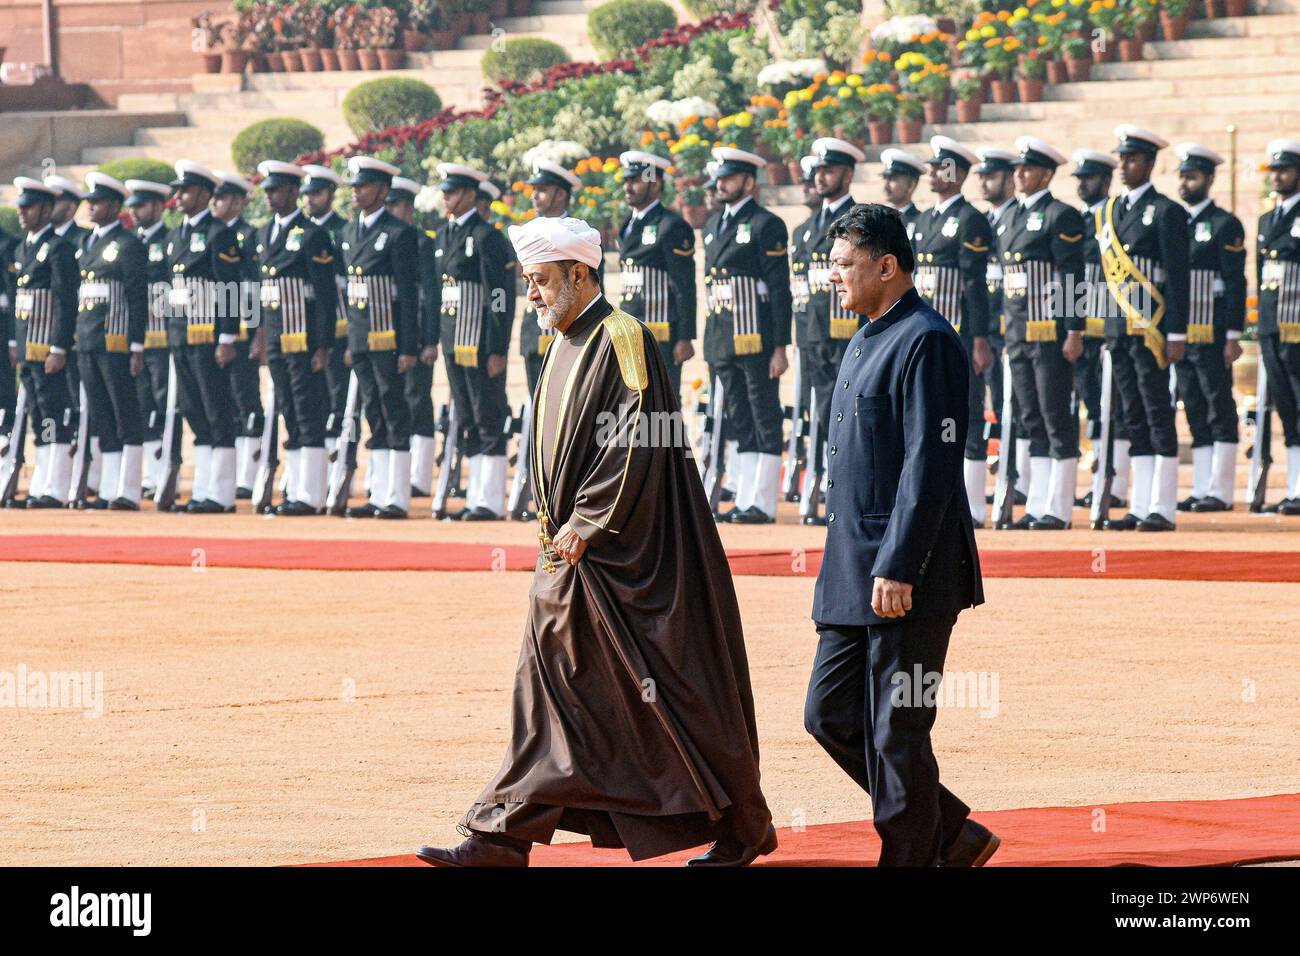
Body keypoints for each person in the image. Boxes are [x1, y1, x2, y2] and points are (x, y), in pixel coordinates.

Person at [416, 216, 774, 868]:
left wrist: (588, 521)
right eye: (527, 282)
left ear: (580, 274)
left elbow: (640, 429)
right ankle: (501, 836)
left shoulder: (622, 335)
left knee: (675, 691)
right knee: (551, 693)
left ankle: (744, 826)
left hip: (627, 558)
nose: (531, 296)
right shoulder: (561, 342)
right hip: (570, 555)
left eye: (542, 281)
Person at [804, 203, 992, 867]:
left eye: (844, 266)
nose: (833, 278)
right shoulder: (865, 334)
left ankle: (912, 858)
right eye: (831, 266)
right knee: (828, 716)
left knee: (896, 732)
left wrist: (901, 565)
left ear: (887, 267)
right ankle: (951, 832)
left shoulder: (927, 339)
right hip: (853, 569)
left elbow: (931, 464)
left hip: (909, 573)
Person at [1099, 126, 1190, 532]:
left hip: (1152, 331)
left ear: (1150, 163)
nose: (1124, 165)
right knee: (1131, 415)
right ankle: (1139, 504)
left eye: (1132, 159)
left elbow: (1178, 276)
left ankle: (1163, 506)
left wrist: (1176, 333)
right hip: (1119, 330)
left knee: (1157, 412)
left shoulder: (1167, 212)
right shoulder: (1111, 210)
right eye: (1121, 158)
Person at [998, 136, 1087, 530]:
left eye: (1028, 169)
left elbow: (1072, 275)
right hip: (1018, 332)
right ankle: (1036, 504)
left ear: (1047, 174)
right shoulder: (1009, 216)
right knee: (1030, 416)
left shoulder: (1060, 215)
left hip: (1049, 331)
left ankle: (1060, 507)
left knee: (1055, 415)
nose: (1019, 175)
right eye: (1017, 169)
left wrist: (1074, 329)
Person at [703, 146, 792, 524]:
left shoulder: (765, 224)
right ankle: (744, 495)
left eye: (729, 177)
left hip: (755, 336)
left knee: (763, 413)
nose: (721, 184)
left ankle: (764, 500)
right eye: (719, 178)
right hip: (723, 335)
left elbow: (779, 288)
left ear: (749, 181)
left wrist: (779, 346)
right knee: (739, 415)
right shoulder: (712, 226)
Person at [915, 136, 995, 525]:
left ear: (958, 173)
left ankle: (974, 504)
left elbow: (975, 285)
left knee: (966, 413)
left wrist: (980, 338)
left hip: (960, 336)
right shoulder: (923, 221)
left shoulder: (970, 220)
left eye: (939, 166)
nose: (931, 172)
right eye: (931, 166)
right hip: (924, 335)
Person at [254, 161, 340, 516]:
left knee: (308, 412)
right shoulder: (263, 234)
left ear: (292, 192)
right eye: (268, 191)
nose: (271, 196)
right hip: (276, 335)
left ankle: (312, 493)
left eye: (277, 190)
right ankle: (295, 488)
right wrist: (260, 335)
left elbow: (324, 295)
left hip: (303, 337)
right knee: (288, 410)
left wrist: (323, 344)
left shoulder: (312, 234)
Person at [431, 162, 516, 521]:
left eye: (452, 192)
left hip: (480, 343)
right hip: (453, 340)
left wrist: (497, 347)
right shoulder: (444, 235)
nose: (446, 198)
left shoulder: (487, 237)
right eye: (445, 192)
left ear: (469, 194)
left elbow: (500, 295)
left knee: (487, 416)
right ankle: (475, 495)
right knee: (466, 416)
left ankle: (490, 499)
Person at [339, 156, 421, 520]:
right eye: (355, 186)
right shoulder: (348, 231)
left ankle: (397, 496)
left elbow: (407, 295)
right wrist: (347, 341)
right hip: (360, 337)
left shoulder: (399, 233)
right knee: (373, 411)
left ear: (383, 190)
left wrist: (408, 346)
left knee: (393, 409)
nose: (357, 192)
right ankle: (379, 492)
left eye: (364, 186)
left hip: (389, 339)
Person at [165, 160, 246, 513]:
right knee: (193, 411)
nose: (179, 197)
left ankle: (222, 493)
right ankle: (203, 489)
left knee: (217, 411)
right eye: (178, 191)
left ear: (202, 193)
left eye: (185, 191)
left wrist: (227, 337)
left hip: (209, 337)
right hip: (181, 336)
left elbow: (230, 287)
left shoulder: (219, 233)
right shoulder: (174, 235)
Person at [1174, 143, 1246, 513]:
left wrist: (1233, 334)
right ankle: (1202, 486)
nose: (1186, 183)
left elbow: (1235, 283)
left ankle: (1221, 488)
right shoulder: (1174, 222)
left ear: (1210, 179)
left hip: (1213, 331)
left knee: (1219, 405)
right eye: (1182, 176)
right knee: (1194, 409)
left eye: (1193, 176)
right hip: (1181, 334)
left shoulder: (1224, 224)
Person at [74, 172, 148, 510]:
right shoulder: (87, 243)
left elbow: (136, 297)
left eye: (98, 202)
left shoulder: (129, 244)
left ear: (115, 206)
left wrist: (136, 345)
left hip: (116, 340)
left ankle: (128, 489)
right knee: (102, 416)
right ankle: (107, 488)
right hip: (89, 340)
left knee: (125, 413)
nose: (91, 207)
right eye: (90, 202)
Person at [8, 177, 78, 508]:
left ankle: (56, 485)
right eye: (20, 208)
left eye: (29, 208)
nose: (22, 214)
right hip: (27, 346)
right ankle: (41, 483)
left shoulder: (60, 247)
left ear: (47, 210)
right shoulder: (25, 247)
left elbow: (66, 300)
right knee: (37, 414)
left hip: (47, 346)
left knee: (53, 414)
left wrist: (59, 347)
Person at [1071, 149, 1130, 510]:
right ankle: (1098, 480)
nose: (1082, 184)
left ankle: (1116, 484)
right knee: (1094, 407)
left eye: (1089, 178)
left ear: (1106, 181)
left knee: (1117, 409)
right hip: (1083, 329)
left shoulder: (1117, 217)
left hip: (1112, 326)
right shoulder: (1075, 221)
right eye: (1078, 178)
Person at [615, 150, 696, 401]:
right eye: (627, 181)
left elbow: (684, 286)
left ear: (655, 183)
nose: (628, 186)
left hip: (660, 331)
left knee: (661, 403)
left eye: (635, 180)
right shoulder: (627, 224)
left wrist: (684, 336)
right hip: (630, 329)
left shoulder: (670, 225)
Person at [976, 146, 1026, 504]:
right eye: (981, 176)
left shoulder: (1019, 218)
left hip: (1012, 327)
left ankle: (1015, 476)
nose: (984, 183)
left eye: (991, 176)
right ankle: (992, 472)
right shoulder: (979, 222)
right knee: (983, 405)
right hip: (984, 327)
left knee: (1016, 405)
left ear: (1010, 180)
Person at [384, 176, 439, 498]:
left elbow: (429, 295)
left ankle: (419, 475)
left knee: (418, 400)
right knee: (396, 401)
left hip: (417, 334)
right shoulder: (388, 236)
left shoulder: (420, 241)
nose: (390, 209)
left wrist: (430, 340)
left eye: (395, 204)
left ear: (408, 207)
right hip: (391, 335)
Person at [212, 171, 266, 498]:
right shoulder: (212, 233)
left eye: (222, 198)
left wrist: (259, 332)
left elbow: (255, 289)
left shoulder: (249, 236)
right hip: (218, 329)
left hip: (245, 326)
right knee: (224, 400)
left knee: (246, 397)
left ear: (238, 201)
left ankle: (251, 470)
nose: (215, 203)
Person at [1255, 140, 1300, 512]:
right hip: (1272, 323)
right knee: (1286, 407)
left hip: (1297, 323)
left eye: (1285, 169)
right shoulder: (1267, 220)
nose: (1278, 177)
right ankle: (1294, 488)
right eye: (1275, 171)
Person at [518, 159, 584, 398]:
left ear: (560, 195)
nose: (534, 196)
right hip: (535, 334)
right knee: (538, 405)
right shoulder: (528, 231)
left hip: (567, 336)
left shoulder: (577, 233)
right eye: (534, 190)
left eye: (542, 190)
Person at [301, 165, 352, 468]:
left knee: (339, 393)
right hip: (311, 325)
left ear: (331, 194)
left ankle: (341, 456)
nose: (309, 200)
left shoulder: (343, 231)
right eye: (306, 194)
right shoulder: (302, 232)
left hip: (342, 323)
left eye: (316, 193)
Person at [126, 178, 175, 495]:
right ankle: (150, 473)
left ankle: (165, 469)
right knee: (141, 403)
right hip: (136, 337)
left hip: (163, 336)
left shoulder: (170, 241)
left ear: (158, 207)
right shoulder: (131, 243)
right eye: (132, 207)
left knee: (163, 403)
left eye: (141, 206)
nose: (135, 213)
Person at [879, 149, 925, 236]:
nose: (885, 186)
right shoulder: (879, 219)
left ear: (910, 186)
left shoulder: (920, 222)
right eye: (885, 178)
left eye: (893, 179)